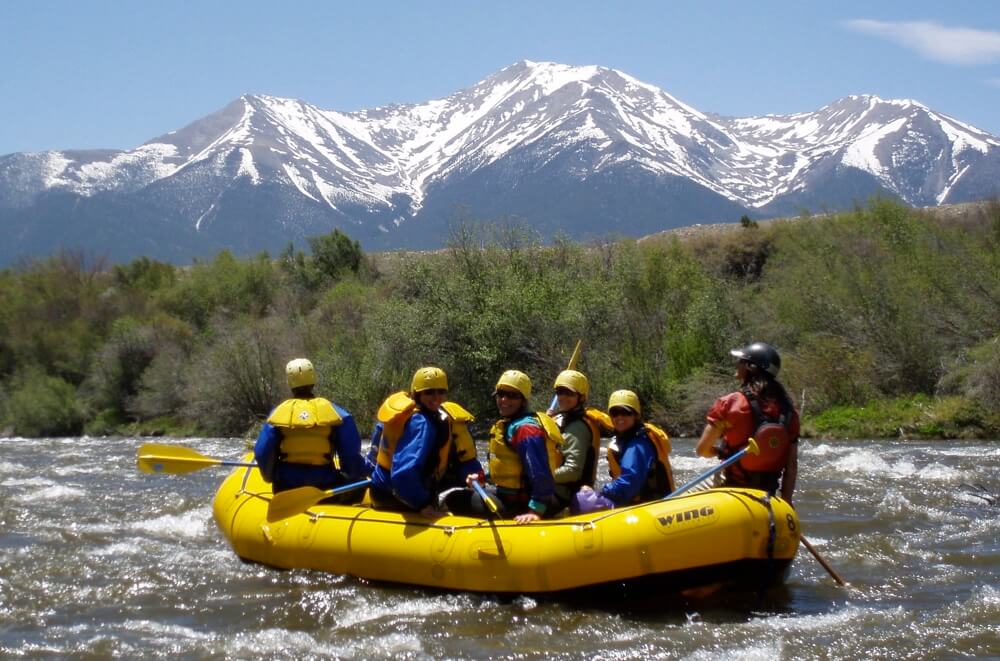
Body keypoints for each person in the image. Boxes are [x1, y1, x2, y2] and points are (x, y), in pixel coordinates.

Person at [369, 367, 484, 517]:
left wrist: (473, 475)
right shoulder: (420, 423)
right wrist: (423, 504)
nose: (436, 397)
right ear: (417, 394)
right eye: (429, 392)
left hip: (388, 489)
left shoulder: (439, 418)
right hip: (396, 494)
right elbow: (403, 474)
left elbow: (461, 458)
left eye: (440, 392)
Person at [694, 342, 799, 503]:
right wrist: (787, 504)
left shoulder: (730, 403)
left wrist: (721, 451)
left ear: (751, 367)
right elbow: (791, 468)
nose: (737, 364)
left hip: (732, 486)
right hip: (768, 492)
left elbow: (702, 450)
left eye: (741, 361)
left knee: (675, 502)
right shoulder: (790, 412)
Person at [254, 358, 365, 496]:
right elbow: (350, 453)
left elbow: (262, 452)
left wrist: (270, 476)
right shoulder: (337, 413)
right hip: (325, 485)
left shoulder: (277, 414)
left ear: (289, 382)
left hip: (285, 487)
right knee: (360, 484)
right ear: (313, 380)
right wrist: (351, 477)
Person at [470, 370, 563, 524]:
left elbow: (541, 474)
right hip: (508, 496)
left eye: (512, 396)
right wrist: (482, 478)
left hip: (519, 504)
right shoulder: (511, 424)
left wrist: (535, 511)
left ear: (523, 400)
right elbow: (509, 469)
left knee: (455, 499)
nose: (504, 400)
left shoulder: (526, 429)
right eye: (501, 394)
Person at [573, 389, 675, 512]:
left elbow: (629, 482)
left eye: (626, 413)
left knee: (583, 500)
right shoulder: (625, 438)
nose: (620, 417)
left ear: (636, 415)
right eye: (615, 413)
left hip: (652, 507)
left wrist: (601, 493)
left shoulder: (638, 444)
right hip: (635, 501)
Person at [548, 370, 608, 509]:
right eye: (560, 392)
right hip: (552, 489)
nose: (563, 397)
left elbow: (573, 471)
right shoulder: (560, 419)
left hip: (564, 495)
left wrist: (540, 477)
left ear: (581, 398)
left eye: (569, 393)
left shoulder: (577, 427)